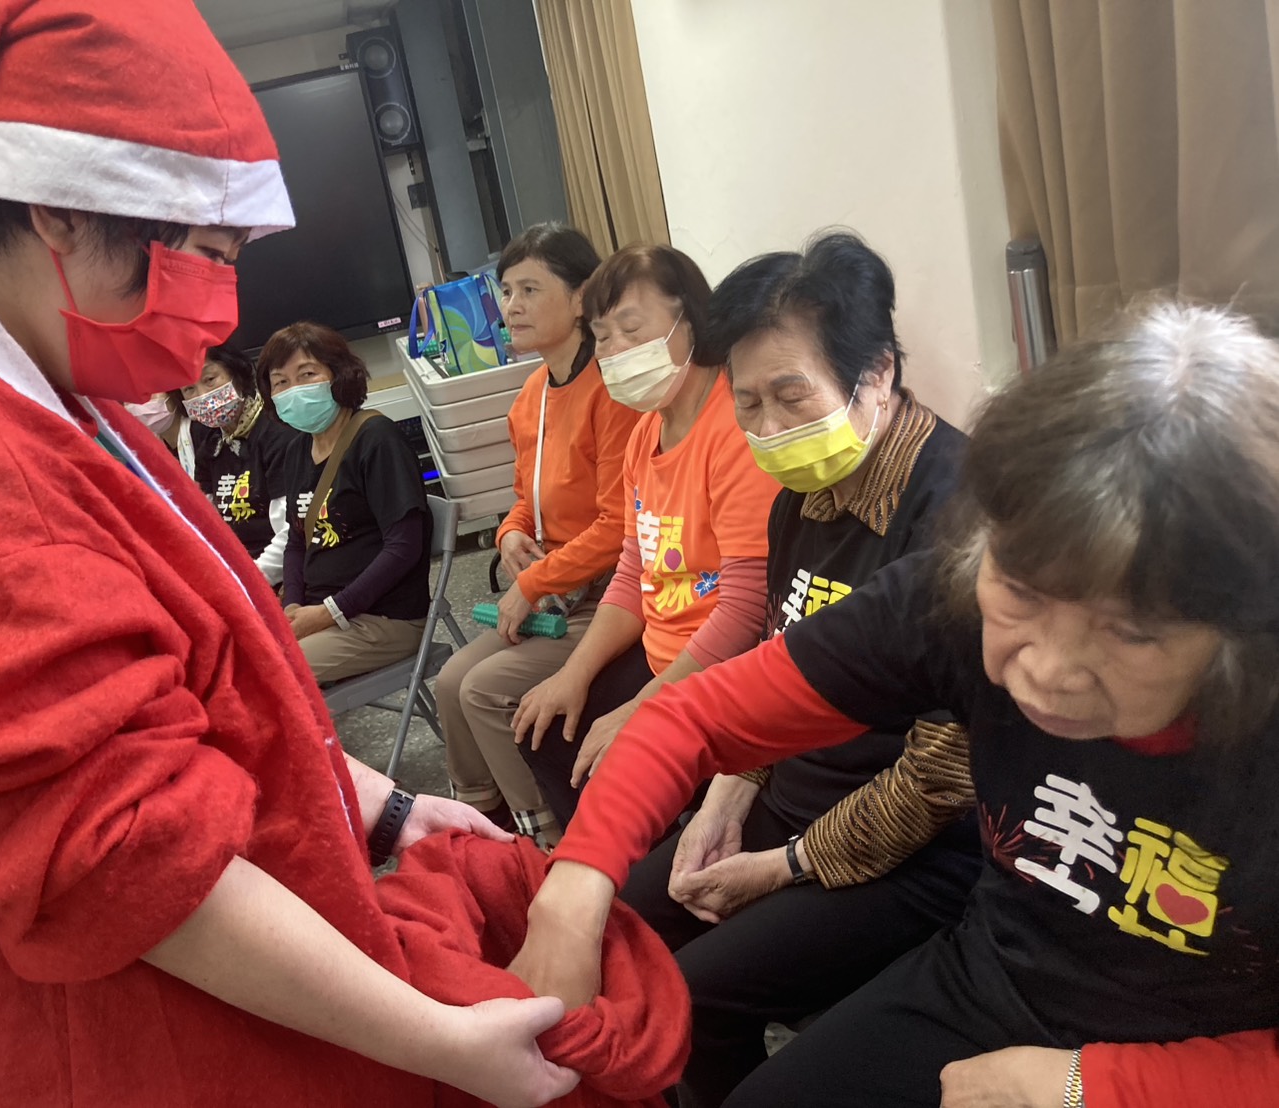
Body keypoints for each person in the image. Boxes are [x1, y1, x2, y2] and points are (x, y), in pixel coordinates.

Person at [0, 2, 686, 1104]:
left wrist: (382, 805)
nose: (219, 313)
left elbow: (197, 681)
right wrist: (433, 1040)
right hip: (71, 1040)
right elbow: (110, 855)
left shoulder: (45, 387)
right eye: (207, 259)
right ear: (61, 212)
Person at [512, 301, 1279, 1107]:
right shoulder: (950, 596)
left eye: (1129, 634)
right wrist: (573, 891)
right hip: (997, 974)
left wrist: (1086, 1085)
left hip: (1209, 1054)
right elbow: (692, 718)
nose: (1047, 669)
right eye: (1020, 595)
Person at [610, 237, 981, 1106]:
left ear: (876, 374)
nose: (767, 431)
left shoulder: (956, 512)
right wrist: (724, 802)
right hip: (792, 793)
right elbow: (772, 666)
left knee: (691, 999)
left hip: (913, 845)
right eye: (746, 404)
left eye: (790, 397)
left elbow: (943, 774)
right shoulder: (799, 500)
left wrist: (785, 866)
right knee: (615, 925)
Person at [511, 244, 780, 829]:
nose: (614, 352)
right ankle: (605, 861)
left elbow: (744, 608)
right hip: (660, 657)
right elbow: (635, 573)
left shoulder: (733, 429)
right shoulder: (645, 434)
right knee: (545, 732)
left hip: (718, 671)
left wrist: (642, 709)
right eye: (603, 337)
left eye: (632, 330)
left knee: (612, 765)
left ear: (691, 321)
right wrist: (574, 673)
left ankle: (637, 864)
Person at [437, 223, 640, 845]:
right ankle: (482, 824)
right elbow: (525, 498)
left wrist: (530, 584)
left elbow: (619, 527)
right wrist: (509, 535)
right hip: (555, 590)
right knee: (449, 682)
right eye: (506, 291)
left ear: (580, 299)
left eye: (530, 289)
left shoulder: (611, 391)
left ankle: (546, 837)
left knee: (482, 690)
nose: (512, 306)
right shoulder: (531, 396)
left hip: (603, 593)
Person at [262, 321, 432, 684]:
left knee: (266, 677)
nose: (294, 390)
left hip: (382, 618)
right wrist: (293, 606)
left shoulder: (376, 438)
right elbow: (297, 541)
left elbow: (404, 548)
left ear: (338, 374)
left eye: (307, 374)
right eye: (281, 382)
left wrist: (328, 613)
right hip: (318, 614)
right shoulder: (297, 449)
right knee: (232, 659)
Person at [184, 342, 297, 587]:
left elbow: (292, 531)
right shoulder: (209, 442)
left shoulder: (277, 432)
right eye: (189, 389)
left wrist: (250, 581)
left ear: (236, 375)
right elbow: (204, 521)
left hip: (279, 573)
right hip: (235, 569)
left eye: (210, 379)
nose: (202, 395)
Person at [126, 390, 197, 477]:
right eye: (132, 396)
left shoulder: (202, 435)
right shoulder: (143, 455)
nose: (141, 402)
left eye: (150, 391)